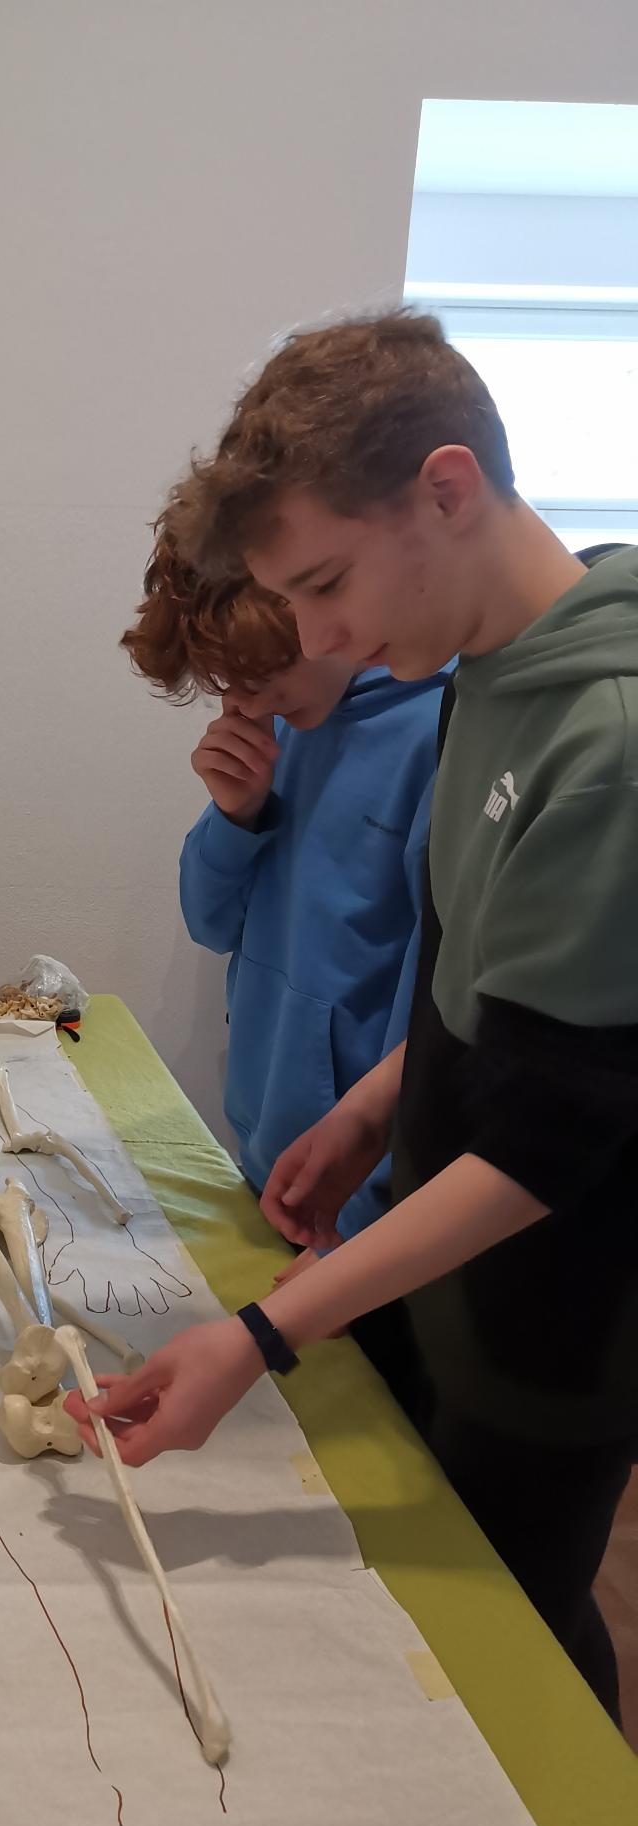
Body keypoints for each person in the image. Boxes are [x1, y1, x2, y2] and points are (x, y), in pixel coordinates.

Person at [69, 312, 638, 1722]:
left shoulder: (609, 737)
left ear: (448, 489)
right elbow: (475, 991)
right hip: (437, 1276)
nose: (319, 638)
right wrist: (374, 1107)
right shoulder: (485, 675)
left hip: (553, 1323)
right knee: (410, 1622)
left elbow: (554, 1137)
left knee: (505, 1648)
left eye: (325, 585)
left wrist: (261, 1334)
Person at [125, 521, 447, 1245]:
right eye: (226, 685)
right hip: (268, 1152)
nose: (246, 704)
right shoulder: (291, 717)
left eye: (258, 676)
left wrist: (361, 1223)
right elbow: (211, 924)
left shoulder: (438, 731)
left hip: (360, 1199)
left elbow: (436, 1021)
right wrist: (234, 815)